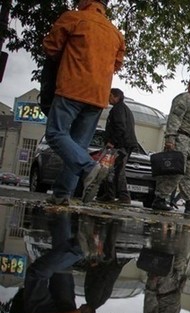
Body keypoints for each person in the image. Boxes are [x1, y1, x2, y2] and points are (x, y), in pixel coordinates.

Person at [42, 0, 126, 206]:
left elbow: (50, 47)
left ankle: (89, 167)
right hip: (98, 96)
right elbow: (117, 65)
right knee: (79, 144)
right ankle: (62, 194)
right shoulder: (116, 34)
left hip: (72, 87)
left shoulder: (74, 18)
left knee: (55, 133)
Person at [151, 74, 190, 215]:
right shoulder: (183, 99)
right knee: (175, 171)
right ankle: (160, 198)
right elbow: (175, 118)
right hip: (181, 139)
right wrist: (170, 138)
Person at [96, 88, 138, 204]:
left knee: (116, 170)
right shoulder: (124, 109)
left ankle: (122, 196)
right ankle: (110, 194)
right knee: (111, 170)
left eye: (110, 96)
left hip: (120, 145)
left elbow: (120, 127)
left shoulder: (117, 110)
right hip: (124, 144)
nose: (108, 99)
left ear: (116, 97)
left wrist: (112, 141)